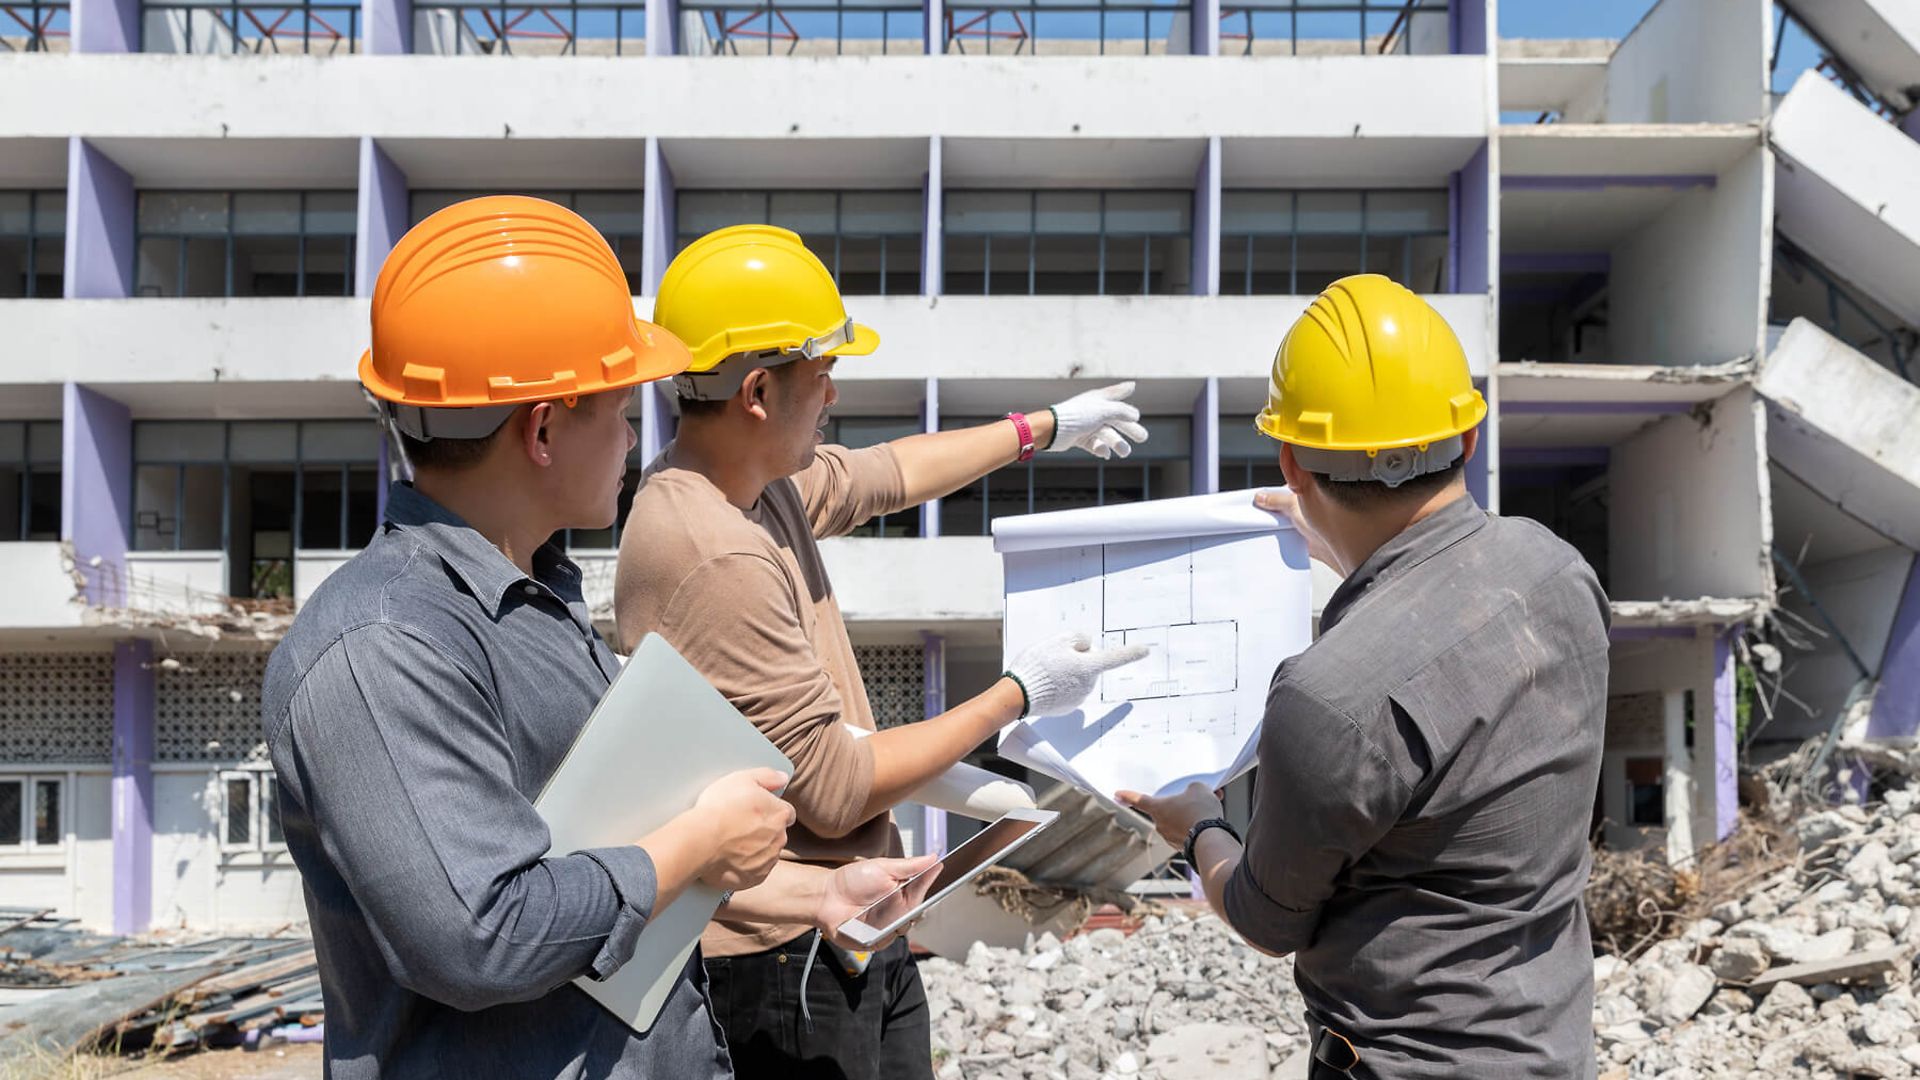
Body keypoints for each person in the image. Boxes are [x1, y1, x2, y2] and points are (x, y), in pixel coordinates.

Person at [262, 196, 936, 1080]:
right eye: (619, 406)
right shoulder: (381, 650)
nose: (634, 437)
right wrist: (699, 841)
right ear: (542, 427)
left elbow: (601, 863)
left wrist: (816, 891)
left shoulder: (537, 602)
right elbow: (485, 934)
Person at [614, 224, 1151, 1080]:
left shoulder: (752, 484)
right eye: (821, 373)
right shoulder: (710, 546)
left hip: (853, 918)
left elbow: (890, 472)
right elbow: (832, 791)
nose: (832, 394)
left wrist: (1042, 428)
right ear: (757, 391)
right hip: (779, 958)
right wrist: (1018, 692)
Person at [1120, 274, 1610, 1080]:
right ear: (1469, 438)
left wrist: (1198, 825)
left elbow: (1265, 917)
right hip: (1552, 1053)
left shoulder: (1329, 694)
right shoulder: (1558, 574)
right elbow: (1448, 612)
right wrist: (1344, 548)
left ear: (1291, 463)